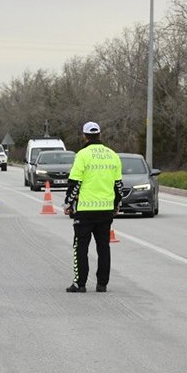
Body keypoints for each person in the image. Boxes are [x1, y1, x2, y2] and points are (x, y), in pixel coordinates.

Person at [63, 121, 122, 293]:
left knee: (80, 246)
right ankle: (102, 284)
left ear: (84, 136)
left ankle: (80, 283)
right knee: (103, 246)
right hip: (105, 210)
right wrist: (116, 204)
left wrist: (68, 203)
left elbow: (75, 183)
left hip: (85, 210)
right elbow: (118, 185)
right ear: (100, 135)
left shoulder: (82, 155)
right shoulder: (112, 155)